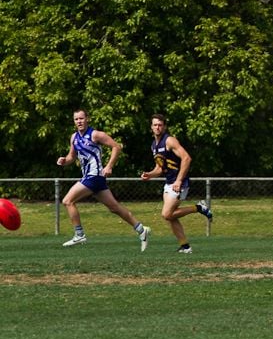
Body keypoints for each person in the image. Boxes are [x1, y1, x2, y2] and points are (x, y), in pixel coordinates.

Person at [56, 109, 151, 251]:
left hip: (94, 176)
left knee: (67, 201)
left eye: (82, 118)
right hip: (90, 177)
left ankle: (79, 234)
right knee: (115, 208)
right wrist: (64, 161)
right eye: (76, 119)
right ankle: (141, 229)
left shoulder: (95, 135)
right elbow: (72, 156)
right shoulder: (74, 138)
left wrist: (109, 166)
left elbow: (116, 147)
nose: (79, 121)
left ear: (87, 119)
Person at [140, 113, 213, 254]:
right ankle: (185, 247)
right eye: (155, 125)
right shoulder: (154, 145)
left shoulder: (170, 141)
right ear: (151, 127)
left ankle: (198, 208)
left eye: (160, 125)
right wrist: (150, 174)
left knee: (167, 214)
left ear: (164, 127)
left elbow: (186, 158)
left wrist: (179, 180)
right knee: (171, 216)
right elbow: (160, 168)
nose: (157, 127)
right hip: (169, 182)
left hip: (179, 183)